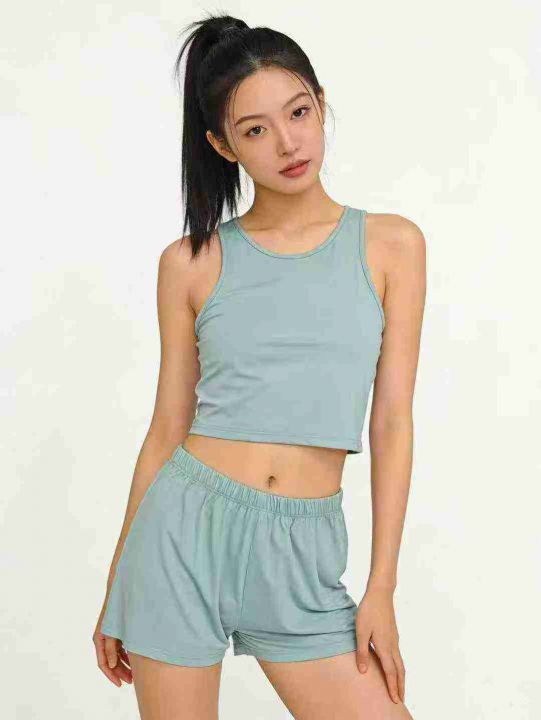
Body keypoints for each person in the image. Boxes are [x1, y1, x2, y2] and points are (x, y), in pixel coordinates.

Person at [93, 11, 425, 719]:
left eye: (297, 113)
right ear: (222, 144)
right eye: (254, 129)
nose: (287, 143)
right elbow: (166, 429)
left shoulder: (391, 246)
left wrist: (382, 587)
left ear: (320, 104)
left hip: (303, 552)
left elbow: (392, 421)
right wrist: (120, 580)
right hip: (182, 537)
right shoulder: (191, 262)